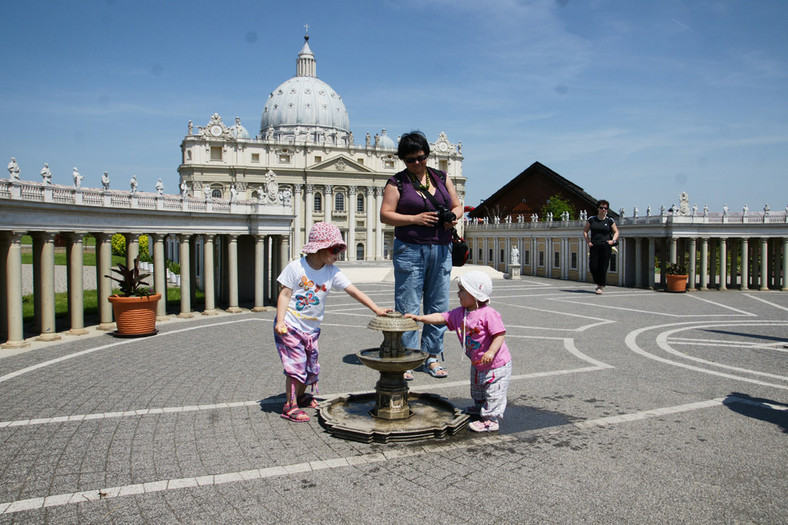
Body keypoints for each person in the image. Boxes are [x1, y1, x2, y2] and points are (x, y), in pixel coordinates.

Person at [275, 222, 390, 422]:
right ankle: (290, 405)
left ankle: (301, 396)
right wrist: (280, 321)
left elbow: (353, 291)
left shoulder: (331, 271)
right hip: (291, 326)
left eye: (340, 250)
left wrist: (376, 308)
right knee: (296, 366)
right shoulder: (296, 267)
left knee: (310, 365)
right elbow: (284, 294)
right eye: (335, 249)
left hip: (311, 329)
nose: (338, 254)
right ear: (319, 247)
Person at [380, 131, 463, 380]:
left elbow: (457, 206)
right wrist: (414, 219)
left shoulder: (441, 177)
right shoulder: (397, 182)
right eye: (410, 159)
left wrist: (453, 218)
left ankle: (431, 357)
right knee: (408, 305)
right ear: (403, 160)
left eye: (421, 157)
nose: (416, 163)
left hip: (441, 247)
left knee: (439, 304)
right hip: (410, 249)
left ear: (427, 155)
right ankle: (406, 356)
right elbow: (385, 214)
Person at [405, 271, 511, 432]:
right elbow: (441, 317)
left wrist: (490, 352)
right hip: (477, 362)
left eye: (462, 290)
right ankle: (480, 406)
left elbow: (499, 334)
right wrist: (419, 318)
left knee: (494, 392)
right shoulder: (460, 313)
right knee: (477, 388)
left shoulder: (489, 314)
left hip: (496, 364)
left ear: (475, 294)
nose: (458, 293)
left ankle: (491, 419)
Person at [583, 199, 619, 294]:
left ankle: (600, 286)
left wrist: (612, 241)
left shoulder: (609, 220)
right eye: (601, 208)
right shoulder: (592, 219)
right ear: (598, 208)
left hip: (606, 245)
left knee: (603, 266)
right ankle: (598, 281)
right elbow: (585, 231)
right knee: (593, 267)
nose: (603, 210)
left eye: (605, 208)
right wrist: (588, 242)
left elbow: (616, 231)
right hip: (594, 245)